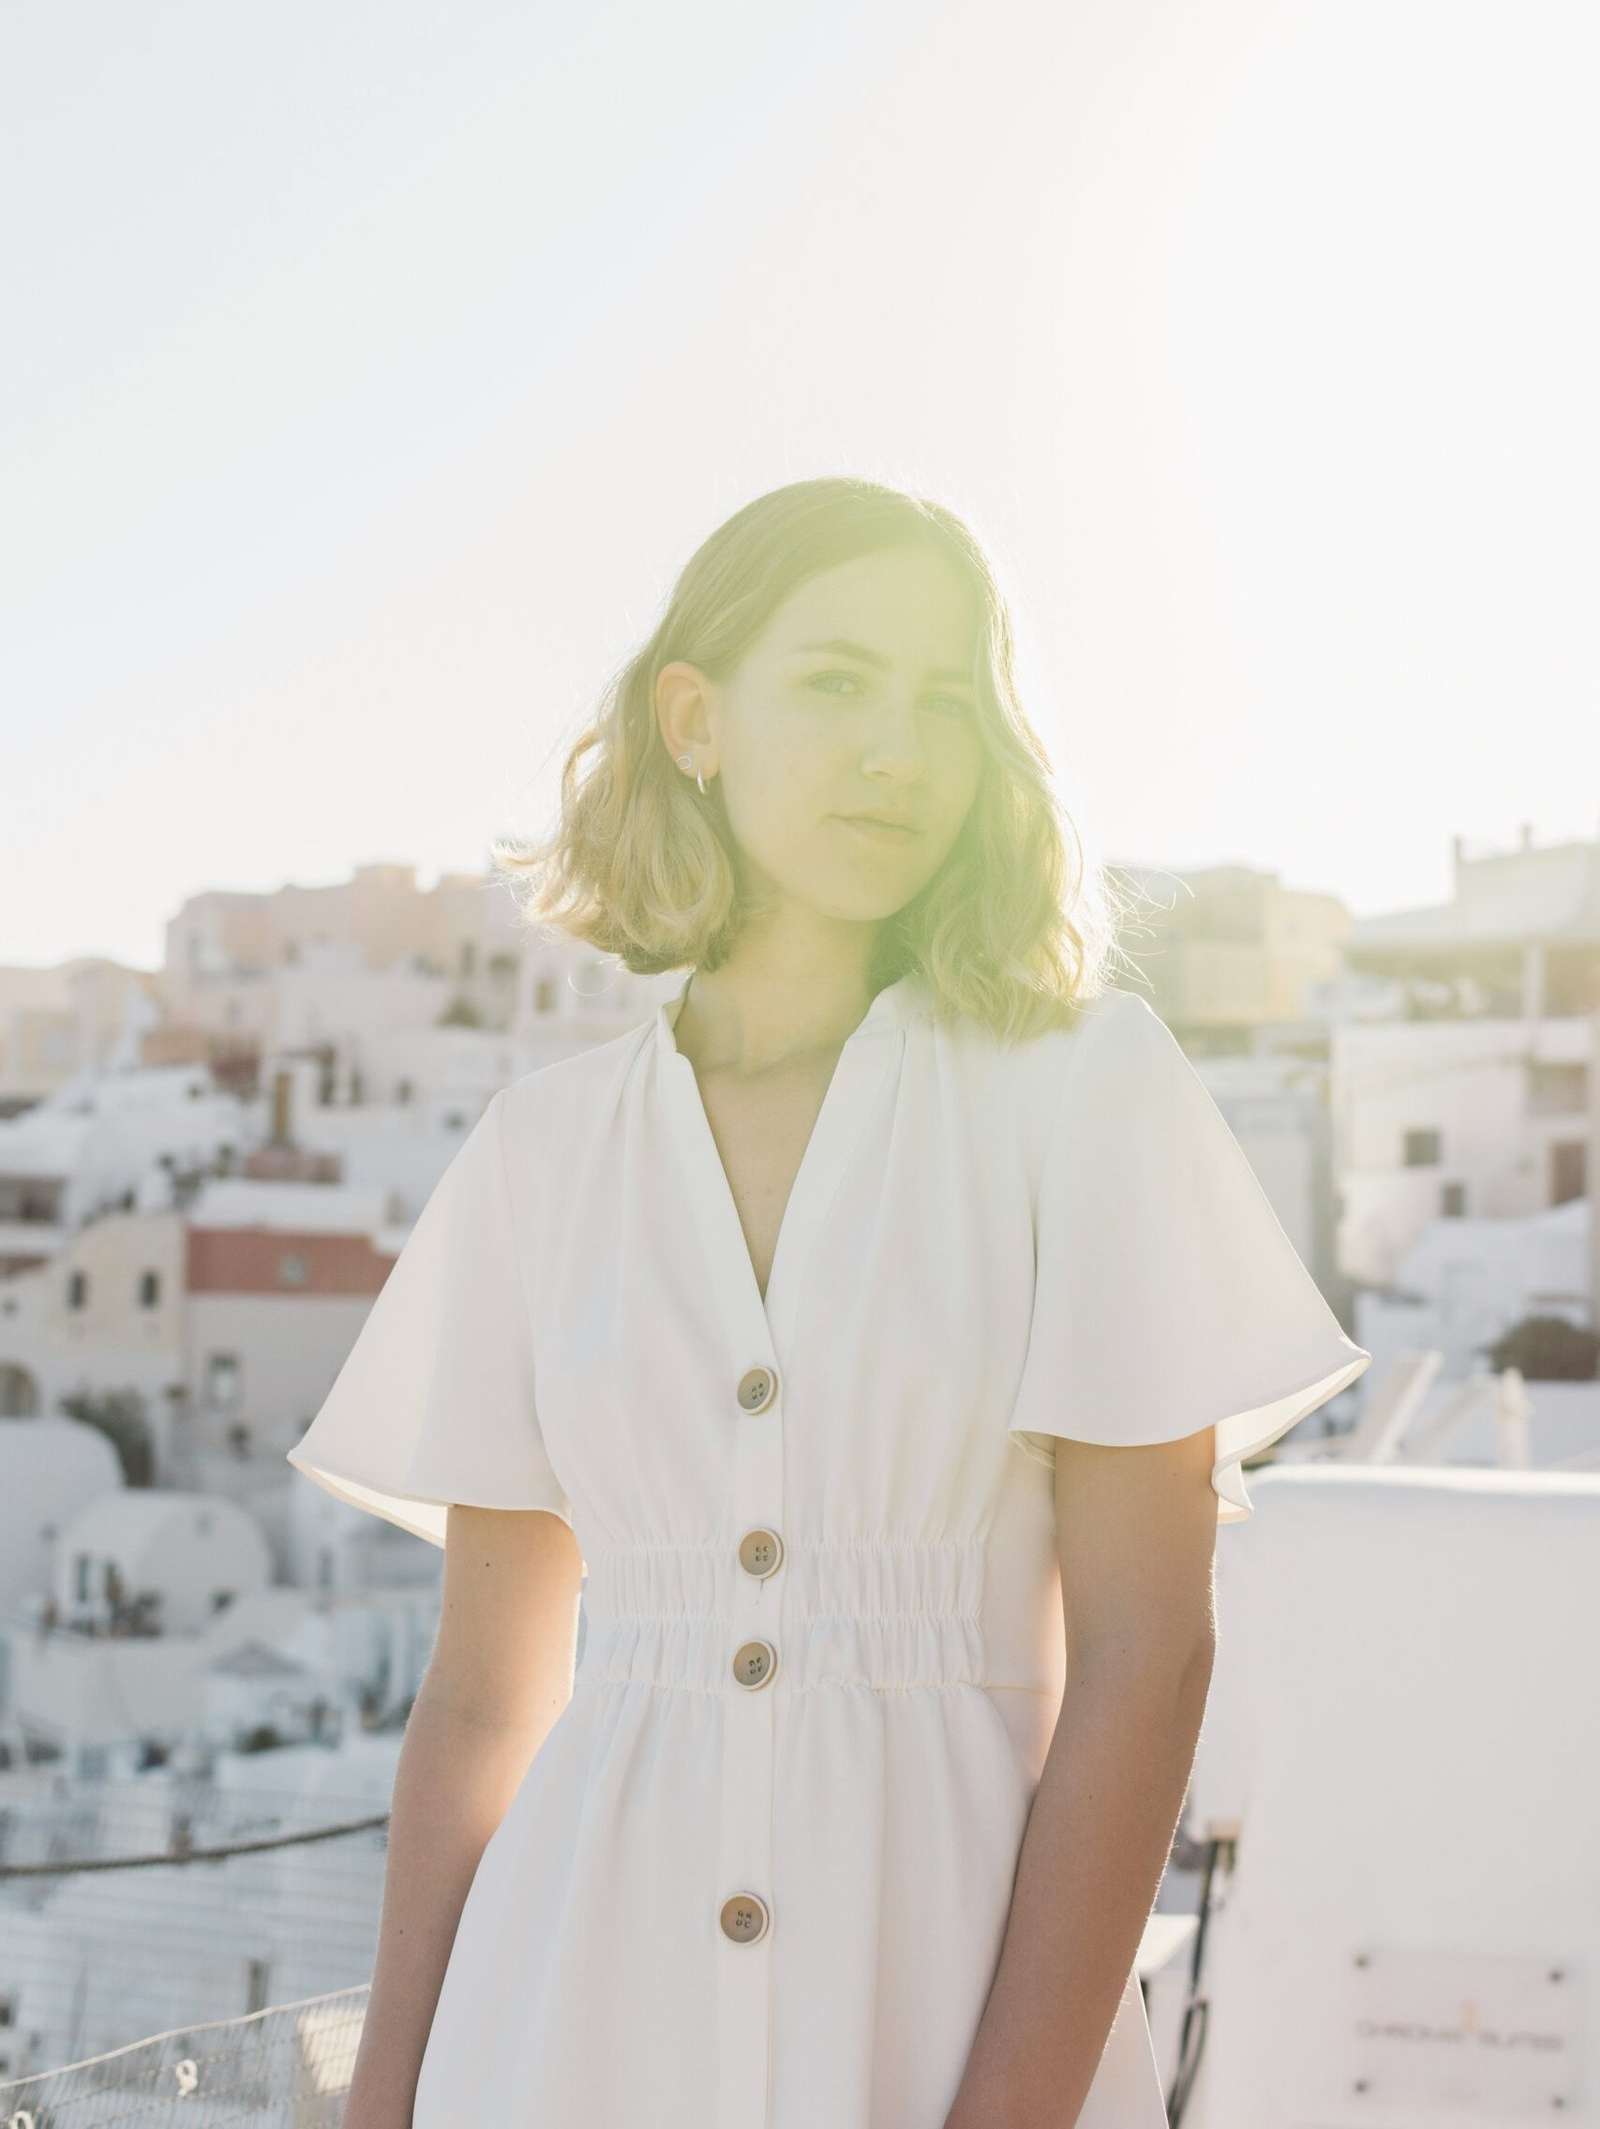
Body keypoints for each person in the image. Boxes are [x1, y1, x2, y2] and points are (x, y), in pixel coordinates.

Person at [287, 477, 1372, 2128]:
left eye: (948, 700)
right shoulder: (539, 1152)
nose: (901, 748)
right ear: (695, 720)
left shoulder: (1082, 1095)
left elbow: (1149, 1658)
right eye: (841, 681)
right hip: (562, 2025)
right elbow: (480, 1700)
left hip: (949, 2017)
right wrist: (385, 2108)